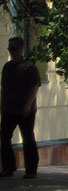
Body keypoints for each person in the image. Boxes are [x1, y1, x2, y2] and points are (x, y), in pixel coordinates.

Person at [1, 37, 40, 179]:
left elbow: (35, 86)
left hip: (25, 109)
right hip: (9, 108)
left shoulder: (29, 67)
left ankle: (31, 170)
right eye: (10, 49)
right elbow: (4, 88)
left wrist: (28, 105)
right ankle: (8, 168)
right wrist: (2, 105)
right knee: (4, 137)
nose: (12, 52)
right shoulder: (7, 67)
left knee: (28, 138)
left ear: (21, 49)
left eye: (14, 49)